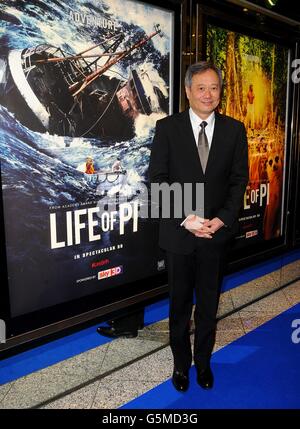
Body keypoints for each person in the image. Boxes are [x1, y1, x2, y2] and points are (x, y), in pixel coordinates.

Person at [149, 61, 248, 392]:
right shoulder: (167, 128)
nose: (208, 94)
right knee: (179, 305)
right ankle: (180, 365)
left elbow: (238, 182)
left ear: (221, 91)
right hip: (180, 234)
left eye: (215, 88)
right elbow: (157, 181)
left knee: (209, 304)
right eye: (201, 88)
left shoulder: (235, 130)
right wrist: (187, 218)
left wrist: (222, 219)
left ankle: (203, 363)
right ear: (188, 91)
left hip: (216, 236)